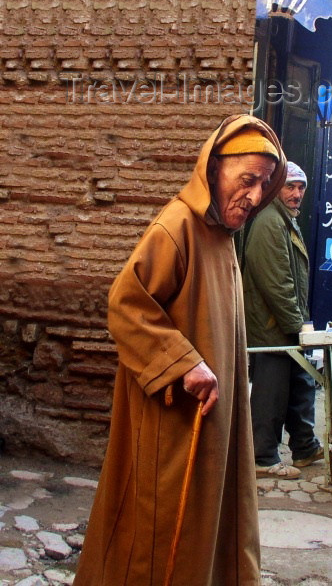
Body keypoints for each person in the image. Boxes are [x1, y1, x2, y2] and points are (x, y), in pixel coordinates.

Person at [73, 114, 287, 586]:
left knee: (208, 529)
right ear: (214, 172)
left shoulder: (223, 234)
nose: (254, 195)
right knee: (157, 539)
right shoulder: (177, 227)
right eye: (246, 180)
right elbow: (126, 304)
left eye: (264, 183)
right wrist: (184, 362)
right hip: (173, 423)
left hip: (212, 421)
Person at [243, 161, 322, 480]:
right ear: (275, 188)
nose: (297, 193)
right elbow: (277, 283)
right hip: (271, 328)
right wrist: (297, 326)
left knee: (301, 384)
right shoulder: (269, 223)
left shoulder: (285, 220)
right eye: (290, 186)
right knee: (271, 394)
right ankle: (262, 456)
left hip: (285, 324)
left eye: (301, 187)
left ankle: (304, 447)